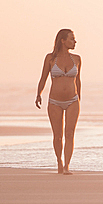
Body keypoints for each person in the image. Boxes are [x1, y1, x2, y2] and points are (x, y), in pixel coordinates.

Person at [35, 28, 82, 174]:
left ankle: (67, 166)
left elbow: (78, 81)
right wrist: (38, 94)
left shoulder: (77, 59)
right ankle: (59, 162)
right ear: (62, 40)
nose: (75, 41)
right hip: (54, 101)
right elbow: (43, 78)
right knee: (58, 135)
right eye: (71, 39)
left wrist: (78, 97)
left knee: (70, 134)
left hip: (72, 101)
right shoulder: (50, 58)